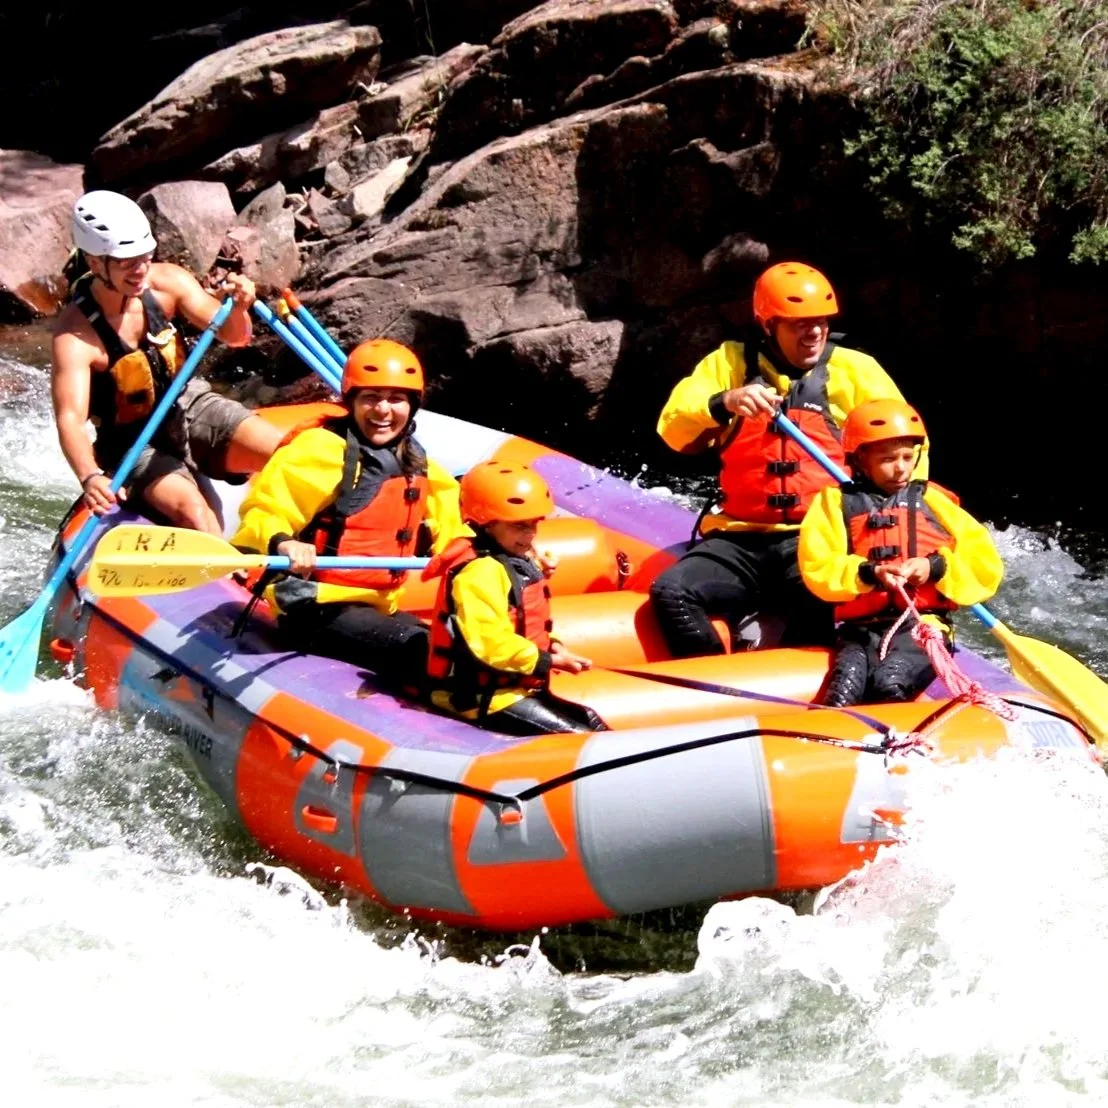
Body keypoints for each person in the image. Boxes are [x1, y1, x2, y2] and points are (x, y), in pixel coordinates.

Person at [650, 261, 926, 656]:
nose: (814, 331)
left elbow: (911, 449)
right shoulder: (728, 363)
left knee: (815, 613)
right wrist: (724, 402)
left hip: (820, 539)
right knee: (672, 593)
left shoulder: (856, 371)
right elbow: (673, 428)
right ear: (768, 325)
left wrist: (896, 527)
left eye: (821, 321)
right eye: (799, 323)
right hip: (740, 537)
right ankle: (713, 681)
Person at [232, 338, 468, 685]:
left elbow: (455, 530)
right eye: (371, 398)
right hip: (313, 607)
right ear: (352, 401)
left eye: (396, 399)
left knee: (465, 652)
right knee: (430, 656)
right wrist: (284, 543)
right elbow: (263, 511)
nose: (383, 411)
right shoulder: (321, 450)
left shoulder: (416, 461)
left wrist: (505, 555)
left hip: (378, 606)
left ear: (413, 405)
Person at [51, 190, 282, 534]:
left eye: (146, 256)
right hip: (133, 441)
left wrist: (238, 307)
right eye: (128, 262)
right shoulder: (74, 335)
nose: (141, 269)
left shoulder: (167, 282)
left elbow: (236, 337)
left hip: (190, 404)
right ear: (96, 262)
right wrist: (89, 475)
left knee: (286, 455)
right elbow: (70, 418)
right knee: (197, 515)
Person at [798, 399, 1003, 705]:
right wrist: (869, 572)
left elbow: (985, 565)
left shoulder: (934, 500)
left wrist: (934, 567)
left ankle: (902, 745)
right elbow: (818, 565)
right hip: (860, 631)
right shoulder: (834, 503)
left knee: (889, 682)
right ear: (861, 460)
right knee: (843, 691)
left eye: (908, 457)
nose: (901, 468)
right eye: (887, 459)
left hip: (923, 626)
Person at [423, 461, 607, 734]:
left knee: (592, 721)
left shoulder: (511, 562)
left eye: (534, 524)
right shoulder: (478, 572)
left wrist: (553, 646)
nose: (530, 535)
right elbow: (488, 642)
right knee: (581, 738)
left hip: (515, 687)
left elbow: (523, 623)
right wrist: (547, 661)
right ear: (486, 522)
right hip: (481, 697)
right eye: (519, 526)